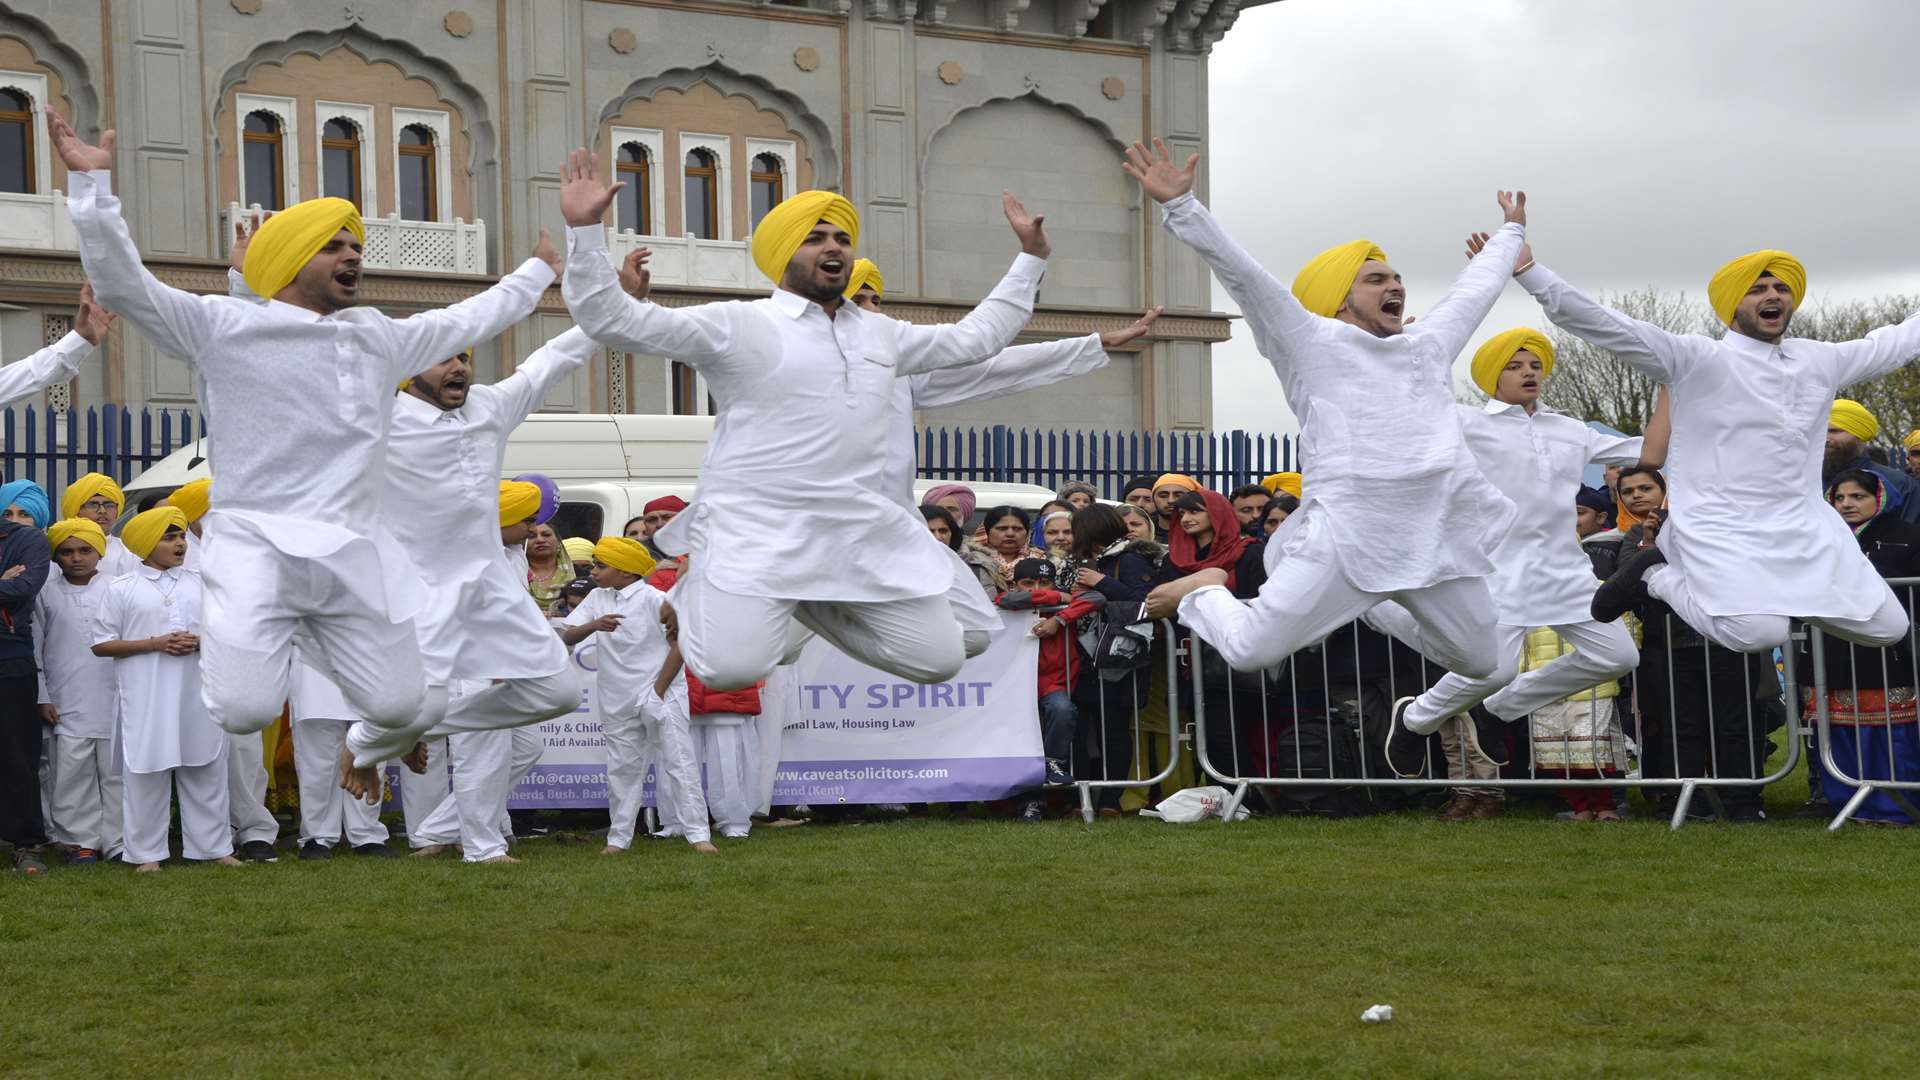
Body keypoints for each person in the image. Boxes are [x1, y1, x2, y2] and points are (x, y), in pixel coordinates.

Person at [52, 113, 563, 794]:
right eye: (333, 247)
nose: (353, 256)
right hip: (257, 550)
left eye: (356, 245)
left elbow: (473, 316)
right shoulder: (224, 326)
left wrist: (540, 269)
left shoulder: (378, 337)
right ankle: (280, 640)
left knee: (402, 708)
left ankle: (359, 732)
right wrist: (91, 187)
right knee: (244, 710)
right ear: (292, 261)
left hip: (351, 557)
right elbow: (123, 285)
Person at [557, 152, 1049, 693]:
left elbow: (976, 339)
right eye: (816, 237)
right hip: (759, 531)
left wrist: (1030, 258)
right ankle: (712, 589)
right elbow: (612, 320)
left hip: (855, 533)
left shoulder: (882, 335)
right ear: (784, 253)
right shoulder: (740, 324)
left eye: (841, 237)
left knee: (940, 659)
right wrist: (584, 231)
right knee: (730, 671)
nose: (833, 245)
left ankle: (811, 607)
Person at [1124, 139, 1525, 695]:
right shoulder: (1311, 340)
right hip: (1348, 533)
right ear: (1339, 300)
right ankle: (1204, 591)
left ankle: (1376, 607)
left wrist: (1510, 234)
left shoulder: (1426, 345)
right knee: (1249, 651)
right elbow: (1245, 277)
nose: (1396, 286)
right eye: (1377, 279)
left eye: (1396, 277)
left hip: (1433, 535)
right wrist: (1183, 207)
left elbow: (1474, 292)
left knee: (1488, 663)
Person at [1508, 238, 1918, 655]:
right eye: (1758, 289)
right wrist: (1532, 274)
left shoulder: (1819, 359)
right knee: (1760, 635)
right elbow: (1610, 327)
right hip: (1719, 524)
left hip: (1804, 526)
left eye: (1781, 288)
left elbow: (1895, 344)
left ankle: (1799, 600)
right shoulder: (1698, 359)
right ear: (1733, 303)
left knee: (1888, 627)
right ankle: (1654, 576)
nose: (1773, 295)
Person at [1366, 328, 1663, 762]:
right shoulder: (1467, 421)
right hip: (1498, 570)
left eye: (1535, 365)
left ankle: (1498, 711)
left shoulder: (1570, 429)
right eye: (1515, 365)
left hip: (1566, 572)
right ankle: (1415, 720)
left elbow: (1648, 453)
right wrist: (1392, 350)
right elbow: (1405, 411)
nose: (1529, 373)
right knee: (1494, 669)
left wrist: (1673, 386)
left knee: (1617, 655)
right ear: (1492, 375)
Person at [407, 480, 583, 864]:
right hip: (476, 666)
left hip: (508, 666)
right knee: (481, 756)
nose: (531, 531)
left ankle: (437, 831)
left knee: (527, 748)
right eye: (525, 522)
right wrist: (500, 661)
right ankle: (482, 849)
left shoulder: (511, 554)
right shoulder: (472, 557)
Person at [90, 507, 237, 871]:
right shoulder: (122, 588)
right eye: (169, 537)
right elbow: (101, 644)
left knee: (205, 765)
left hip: (197, 691)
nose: (180, 544)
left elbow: (227, 633)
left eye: (182, 536)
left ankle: (214, 848)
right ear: (146, 543)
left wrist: (200, 642)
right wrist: (156, 643)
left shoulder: (202, 583)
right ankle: (145, 854)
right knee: (145, 771)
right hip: (146, 696)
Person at [1803, 469, 1920, 822]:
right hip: (1831, 650)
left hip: (1890, 652)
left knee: (1891, 732)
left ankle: (1897, 806)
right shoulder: (1819, 538)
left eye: (1858, 497)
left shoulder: (1908, 536)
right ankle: (1847, 802)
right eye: (1839, 498)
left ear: (1880, 498)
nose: (1847, 504)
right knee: (1838, 729)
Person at [557, 537, 687, 853]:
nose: (594, 571)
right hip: (617, 697)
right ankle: (618, 839)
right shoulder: (597, 598)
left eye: (601, 566)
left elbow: (680, 644)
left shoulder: (656, 598)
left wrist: (657, 691)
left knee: (679, 762)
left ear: (627, 572)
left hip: (662, 691)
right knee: (621, 770)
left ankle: (698, 834)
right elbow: (567, 634)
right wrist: (595, 625)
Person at [33, 519, 120, 865]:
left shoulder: (119, 587)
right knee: (71, 772)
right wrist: (42, 694)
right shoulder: (45, 591)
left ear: (100, 551)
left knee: (117, 773)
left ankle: (120, 841)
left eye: (85, 550)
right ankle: (80, 842)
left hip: (114, 695)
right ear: (56, 557)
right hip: (65, 696)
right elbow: (36, 645)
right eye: (67, 552)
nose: (76, 558)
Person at [996, 556, 1102, 820]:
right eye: (1028, 583)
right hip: (1015, 683)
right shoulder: (1013, 601)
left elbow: (1097, 598)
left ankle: (1053, 763)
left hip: (1052, 682)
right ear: (1015, 584)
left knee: (1063, 710)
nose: (1037, 589)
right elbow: (1006, 601)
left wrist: (1060, 619)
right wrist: (1057, 598)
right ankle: (1029, 804)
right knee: (1023, 743)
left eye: (1045, 582)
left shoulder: (1066, 606)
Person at [287, 657, 392, 858]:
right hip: (313, 666)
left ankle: (367, 834)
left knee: (370, 752)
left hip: (368, 661)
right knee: (317, 761)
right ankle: (317, 836)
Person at [0, 480, 50, 873]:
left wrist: (8, 584)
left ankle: (26, 842)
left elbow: (24, 587)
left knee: (17, 755)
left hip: (10, 660)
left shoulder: (28, 540)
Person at [1824, 400, 1920, 525]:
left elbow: (1909, 538)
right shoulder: (1804, 482)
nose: (1825, 438)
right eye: (1821, 431)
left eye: (1834, 431)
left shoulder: (1899, 484)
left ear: (1859, 434)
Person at [59, 473, 141, 577]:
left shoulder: (130, 553)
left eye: (109, 505)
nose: (102, 511)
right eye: (93, 505)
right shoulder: (59, 550)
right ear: (76, 510)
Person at [922, 504, 1000, 598]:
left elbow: (988, 608)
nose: (938, 537)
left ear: (952, 533)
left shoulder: (975, 568)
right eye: (929, 531)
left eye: (943, 531)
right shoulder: (901, 567)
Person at [982, 506, 1042, 581]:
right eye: (1002, 528)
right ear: (987, 532)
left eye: (1017, 529)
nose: (1010, 534)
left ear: (1027, 533)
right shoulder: (973, 560)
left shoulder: (1042, 560)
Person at [523, 523, 572, 614]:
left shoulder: (580, 574)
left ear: (558, 541)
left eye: (546, 535)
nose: (540, 540)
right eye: (532, 536)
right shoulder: (515, 573)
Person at [638, 495, 686, 560]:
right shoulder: (636, 552)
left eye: (667, 517)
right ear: (645, 527)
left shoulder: (701, 548)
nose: (659, 524)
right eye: (651, 520)